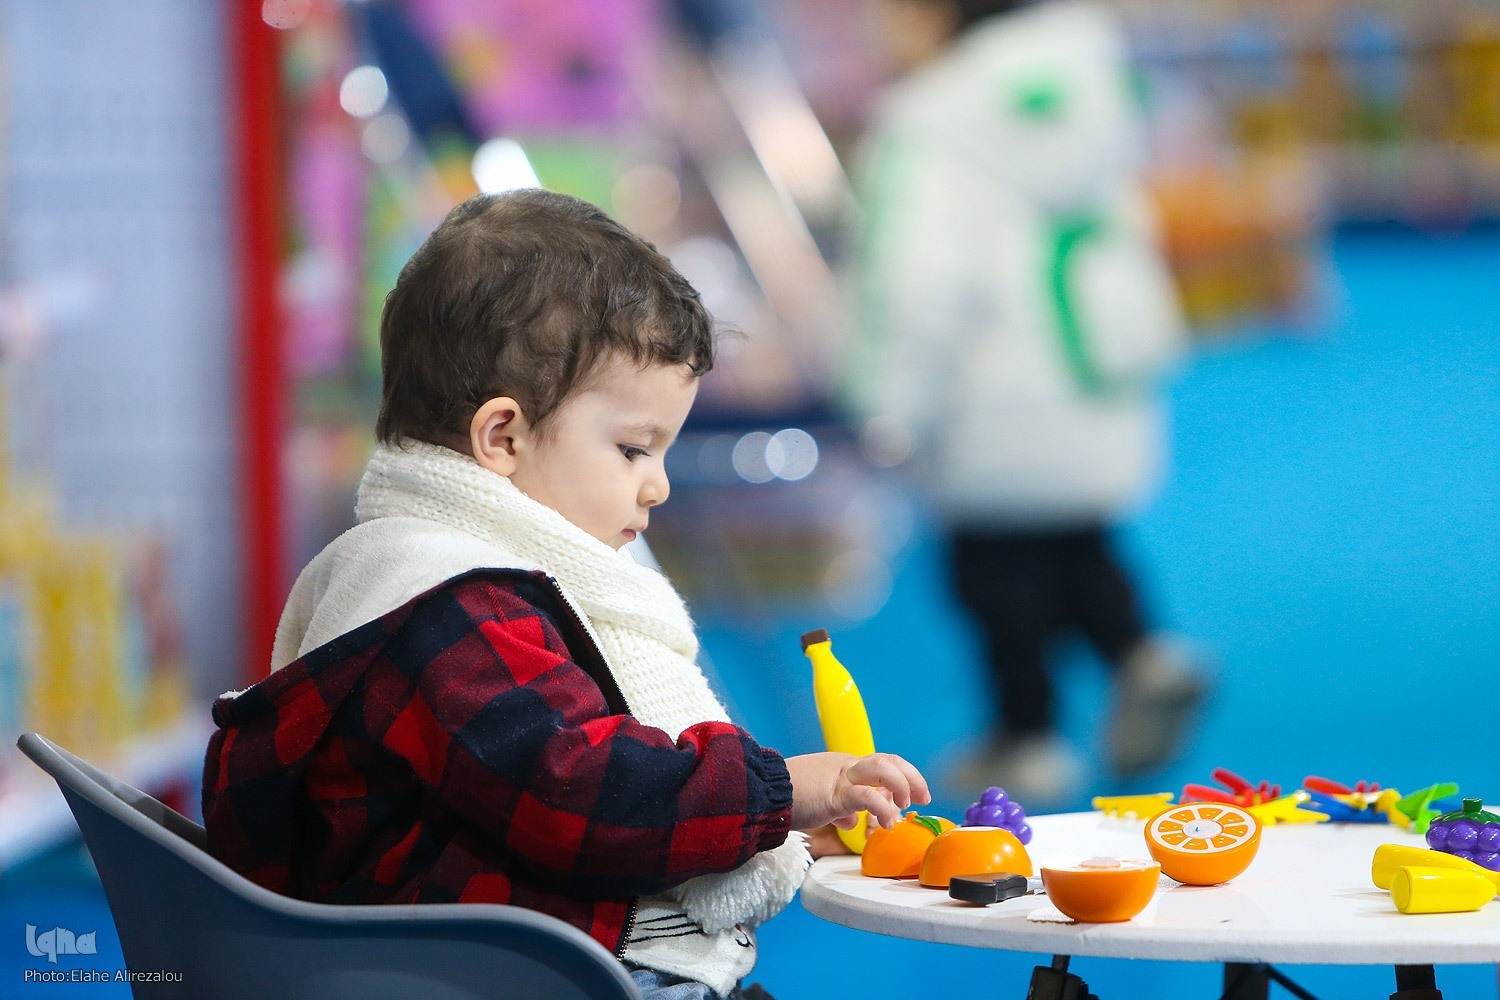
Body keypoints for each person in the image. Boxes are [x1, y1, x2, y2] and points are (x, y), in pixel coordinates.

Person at [202, 190, 930, 1000]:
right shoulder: (451, 606)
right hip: (509, 977)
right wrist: (779, 790)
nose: (654, 488)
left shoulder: (430, 576)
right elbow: (581, 794)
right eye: (630, 450)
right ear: (503, 437)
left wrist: (769, 835)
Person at [844, 0, 1205, 805]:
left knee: (993, 575)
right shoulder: (1092, 77)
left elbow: (915, 283)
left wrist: (885, 402)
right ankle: (1141, 652)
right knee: (1077, 539)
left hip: (985, 393)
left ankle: (1027, 735)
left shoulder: (930, 121)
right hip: (1088, 364)